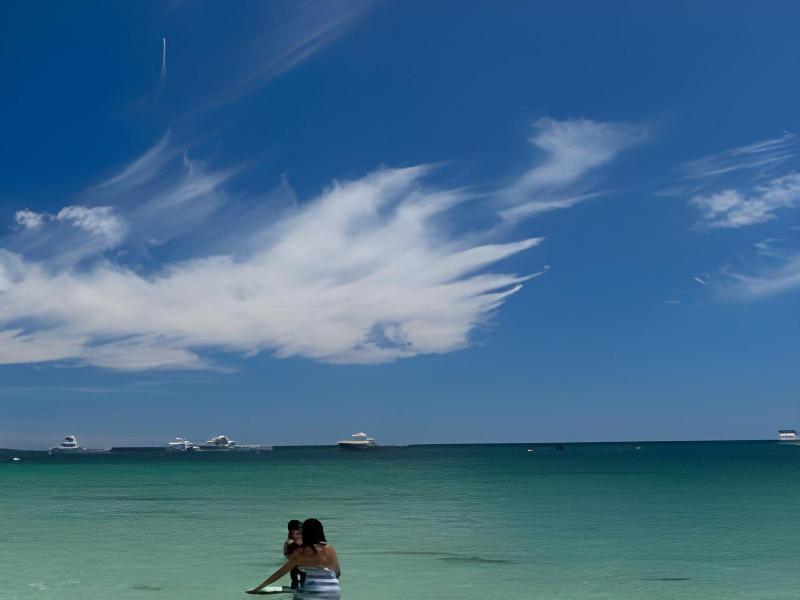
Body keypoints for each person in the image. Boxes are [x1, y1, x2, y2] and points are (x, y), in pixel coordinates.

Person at [247, 518, 341, 599]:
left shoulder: (300, 553)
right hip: (334, 592)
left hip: (312, 592)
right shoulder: (330, 548)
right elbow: (337, 573)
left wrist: (258, 588)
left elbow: (280, 573)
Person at [284, 520, 304, 589]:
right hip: (295, 564)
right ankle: (295, 586)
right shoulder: (289, 542)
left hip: (305, 564)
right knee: (293, 572)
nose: (300, 535)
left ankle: (302, 585)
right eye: (298, 533)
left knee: (303, 576)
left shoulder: (303, 539)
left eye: (301, 533)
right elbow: (287, 556)